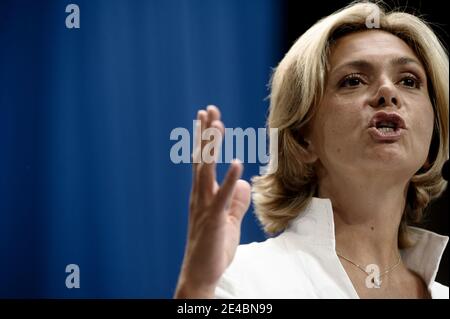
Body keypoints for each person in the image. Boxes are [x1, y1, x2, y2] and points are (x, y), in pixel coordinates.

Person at [174, 1, 449, 299]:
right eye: (353, 81)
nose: (387, 91)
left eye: (408, 80)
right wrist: (197, 288)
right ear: (303, 139)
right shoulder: (243, 280)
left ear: (432, 138)